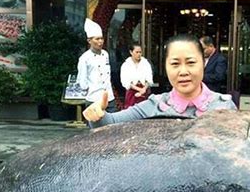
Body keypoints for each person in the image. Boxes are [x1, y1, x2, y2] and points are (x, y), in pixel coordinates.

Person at [83, 34, 236, 128]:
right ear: (166, 67)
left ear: (203, 64)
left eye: (191, 62)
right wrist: (97, 116)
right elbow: (110, 123)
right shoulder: (155, 106)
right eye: (175, 64)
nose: (183, 72)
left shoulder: (224, 107)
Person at [77, 18, 117, 113]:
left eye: (101, 38)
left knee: (113, 125)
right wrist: (90, 89)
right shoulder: (84, 58)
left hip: (109, 97)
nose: (100, 42)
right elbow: (82, 80)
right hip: (93, 98)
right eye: (97, 39)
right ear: (89, 41)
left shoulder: (105, 54)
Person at [120, 43, 154, 109]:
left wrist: (143, 89)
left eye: (140, 52)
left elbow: (149, 78)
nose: (139, 54)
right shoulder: (126, 65)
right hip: (132, 91)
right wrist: (138, 89)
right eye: (137, 52)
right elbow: (125, 81)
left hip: (144, 90)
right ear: (131, 52)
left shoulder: (145, 63)